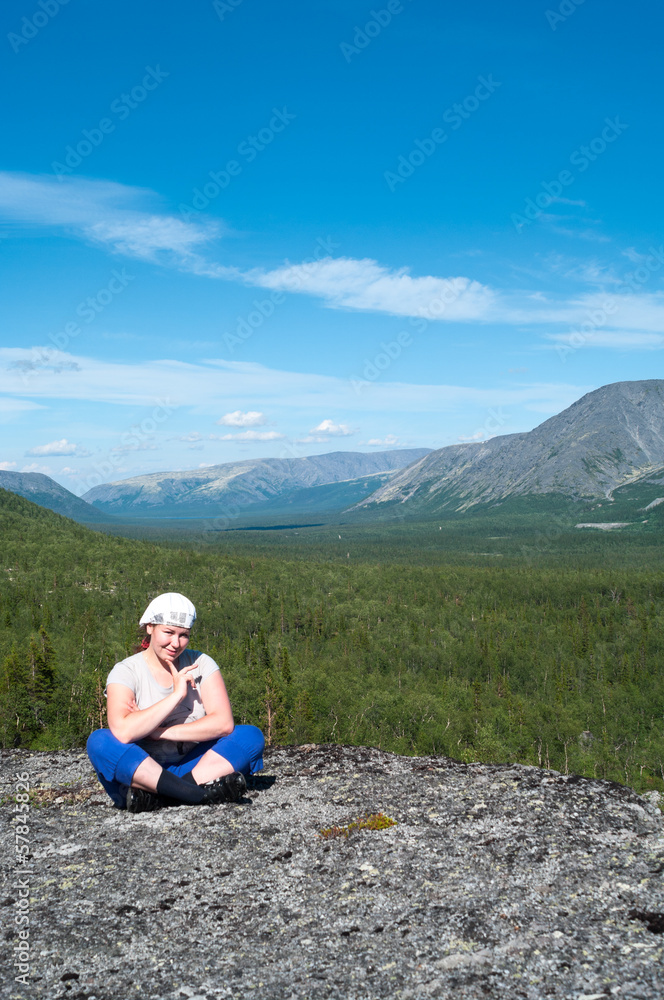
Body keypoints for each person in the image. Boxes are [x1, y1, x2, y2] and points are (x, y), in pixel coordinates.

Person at [87, 592, 265, 813]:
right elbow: (124, 732)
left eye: (184, 635)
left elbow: (223, 723)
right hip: (142, 769)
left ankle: (162, 798)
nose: (176, 643)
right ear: (150, 627)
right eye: (169, 632)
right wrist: (176, 696)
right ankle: (198, 795)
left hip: (195, 766)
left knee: (250, 736)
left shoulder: (201, 663)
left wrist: (158, 732)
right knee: (99, 741)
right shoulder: (125, 671)